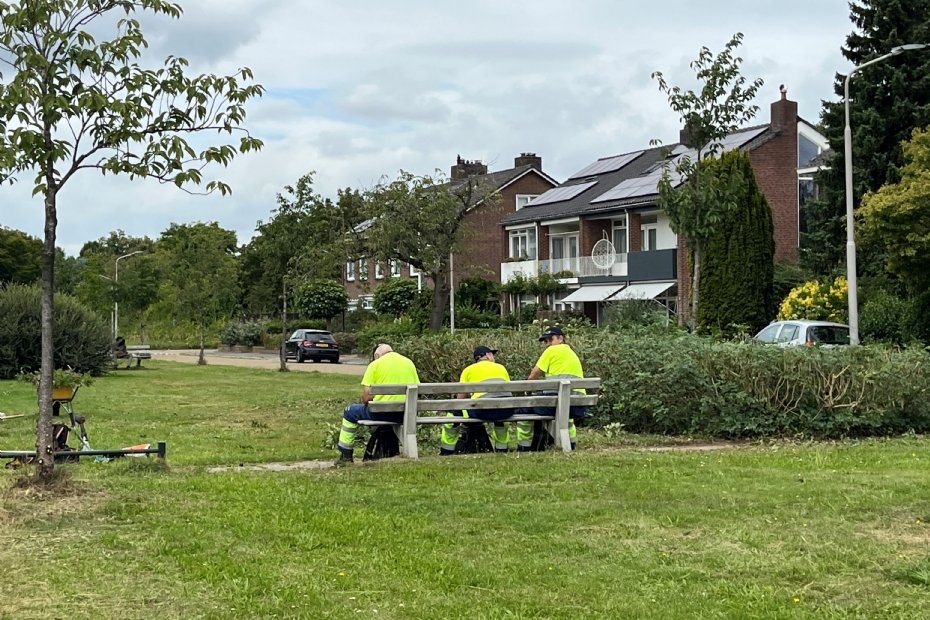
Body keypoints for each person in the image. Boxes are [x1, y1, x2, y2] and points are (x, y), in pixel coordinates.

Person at [336, 343, 419, 465]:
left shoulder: (375, 365)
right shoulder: (409, 363)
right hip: (406, 413)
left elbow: (366, 398)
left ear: (377, 355)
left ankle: (346, 455)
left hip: (381, 413)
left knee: (350, 411)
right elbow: (417, 390)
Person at [518, 326, 587, 451]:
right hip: (577, 404)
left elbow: (535, 373)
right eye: (546, 341)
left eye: (550, 339)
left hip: (555, 405)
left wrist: (527, 388)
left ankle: (524, 446)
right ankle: (571, 444)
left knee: (524, 408)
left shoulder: (551, 351)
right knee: (566, 416)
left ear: (560, 338)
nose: (547, 343)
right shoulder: (572, 353)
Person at [440, 345, 512, 455]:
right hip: (506, 410)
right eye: (492, 354)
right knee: (500, 420)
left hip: (482, 411)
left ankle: (446, 450)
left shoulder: (468, 370)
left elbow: (460, 399)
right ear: (488, 355)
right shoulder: (501, 368)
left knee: (454, 413)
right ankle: (502, 450)